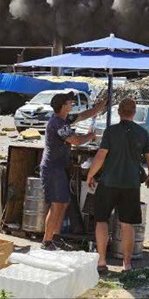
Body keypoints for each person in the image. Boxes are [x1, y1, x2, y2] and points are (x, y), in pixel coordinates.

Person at [86, 98, 149, 272]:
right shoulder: (142, 132)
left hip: (108, 182)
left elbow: (101, 155)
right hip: (131, 184)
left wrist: (90, 174)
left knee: (101, 220)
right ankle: (127, 263)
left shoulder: (111, 132)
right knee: (127, 224)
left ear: (119, 112)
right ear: (134, 112)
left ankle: (102, 261)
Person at [40, 91, 106, 251]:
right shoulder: (58, 123)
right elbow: (75, 141)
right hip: (52, 168)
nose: (72, 105)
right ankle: (46, 241)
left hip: (59, 167)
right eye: (70, 103)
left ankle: (55, 237)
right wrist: (90, 136)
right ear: (63, 106)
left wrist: (100, 106)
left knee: (63, 203)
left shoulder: (64, 119)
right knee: (56, 204)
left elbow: (83, 115)